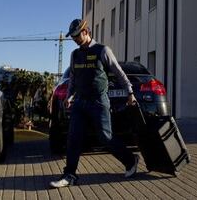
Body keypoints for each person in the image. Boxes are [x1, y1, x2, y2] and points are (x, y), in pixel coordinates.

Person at [50, 19, 139, 188]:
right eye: (73, 37)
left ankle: (130, 159)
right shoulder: (75, 55)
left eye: (77, 35)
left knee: (105, 137)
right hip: (80, 102)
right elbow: (74, 79)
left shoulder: (102, 51)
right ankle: (69, 175)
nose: (75, 39)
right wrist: (69, 96)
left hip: (99, 101)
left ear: (86, 32)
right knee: (73, 138)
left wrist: (130, 92)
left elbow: (119, 73)